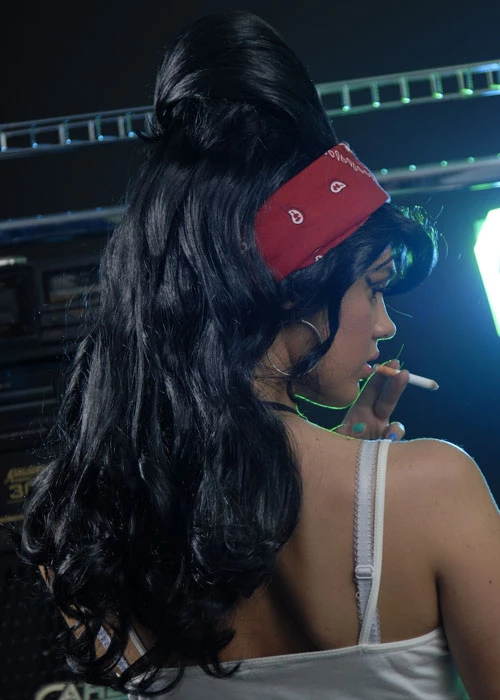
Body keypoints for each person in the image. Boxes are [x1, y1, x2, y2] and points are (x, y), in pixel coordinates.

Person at [20, 10, 500, 699]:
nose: (386, 324)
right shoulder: (434, 491)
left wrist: (344, 468)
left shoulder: (82, 531)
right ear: (293, 289)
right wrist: (362, 486)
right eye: (373, 287)